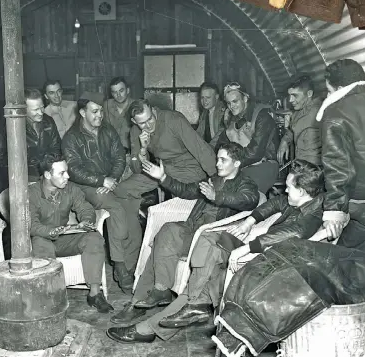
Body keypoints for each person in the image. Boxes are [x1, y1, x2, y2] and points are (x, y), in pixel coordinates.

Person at [107, 159, 325, 344]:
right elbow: (273, 203)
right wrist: (250, 221)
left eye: (289, 186)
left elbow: (282, 235)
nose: (284, 189)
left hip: (262, 263)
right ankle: (182, 304)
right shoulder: (296, 201)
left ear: (303, 191)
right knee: (206, 241)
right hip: (251, 249)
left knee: (204, 281)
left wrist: (246, 248)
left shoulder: (310, 218)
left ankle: (153, 326)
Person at [107, 143, 259, 336]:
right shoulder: (214, 179)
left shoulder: (246, 183)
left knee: (172, 261)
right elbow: (187, 190)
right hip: (193, 230)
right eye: (217, 158)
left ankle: (148, 324)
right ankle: (156, 292)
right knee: (166, 233)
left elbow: (250, 199)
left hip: (211, 237)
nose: (218, 163)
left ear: (237, 163)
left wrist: (217, 196)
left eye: (223, 160)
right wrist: (162, 177)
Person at [213, 238, 365, 357]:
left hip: (321, 263)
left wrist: (250, 245)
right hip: (307, 255)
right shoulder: (293, 206)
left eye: (290, 189)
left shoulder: (309, 210)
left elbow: (292, 231)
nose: (286, 191)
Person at [62, 91, 142, 293]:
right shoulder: (71, 137)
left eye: (101, 111)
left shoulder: (108, 131)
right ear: (82, 112)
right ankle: (120, 266)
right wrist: (100, 180)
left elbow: (119, 158)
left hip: (109, 183)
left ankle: (130, 263)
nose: (100, 115)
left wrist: (112, 179)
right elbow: (73, 169)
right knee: (115, 208)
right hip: (86, 186)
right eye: (95, 111)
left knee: (131, 208)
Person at [28, 155, 113, 313]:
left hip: (65, 239)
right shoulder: (31, 193)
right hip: (43, 239)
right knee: (40, 243)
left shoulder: (71, 188)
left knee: (94, 238)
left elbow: (85, 208)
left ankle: (95, 293)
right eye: (61, 173)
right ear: (47, 175)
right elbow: (31, 225)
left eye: (66, 171)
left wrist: (86, 222)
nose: (67, 176)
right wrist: (51, 231)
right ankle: (50, 297)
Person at [113, 99, 217, 214]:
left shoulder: (173, 120)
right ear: (134, 121)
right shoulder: (135, 132)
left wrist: (217, 178)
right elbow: (136, 169)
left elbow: (201, 149)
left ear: (153, 110)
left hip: (188, 169)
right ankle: (134, 229)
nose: (148, 125)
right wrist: (143, 149)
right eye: (142, 123)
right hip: (160, 170)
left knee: (178, 206)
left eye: (150, 118)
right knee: (122, 190)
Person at [317, 59, 365, 251]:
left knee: (344, 256)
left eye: (329, 90)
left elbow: (337, 165)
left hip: (363, 203)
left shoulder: (335, 113)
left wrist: (333, 211)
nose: (328, 95)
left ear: (341, 88)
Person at [217, 82, 280, 193]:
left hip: (264, 166)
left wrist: (231, 164)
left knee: (242, 193)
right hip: (240, 166)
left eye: (235, 101)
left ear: (245, 99)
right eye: (228, 103)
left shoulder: (261, 117)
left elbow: (254, 153)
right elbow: (220, 145)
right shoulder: (231, 119)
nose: (231, 106)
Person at [0, 88, 61, 182]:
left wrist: (45, 169)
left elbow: (56, 149)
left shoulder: (49, 121)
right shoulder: (13, 126)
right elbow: (4, 157)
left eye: (42, 107)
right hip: (23, 176)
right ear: (24, 110)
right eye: (35, 110)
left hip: (47, 172)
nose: (40, 113)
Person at [277, 75, 322, 166]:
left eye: (295, 95)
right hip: (301, 165)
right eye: (289, 95)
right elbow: (294, 127)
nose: (290, 100)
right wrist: (285, 140)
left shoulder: (319, 113)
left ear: (309, 94)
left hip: (312, 169)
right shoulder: (299, 109)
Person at [195, 82, 226, 146]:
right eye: (202, 98)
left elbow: (222, 133)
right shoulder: (204, 113)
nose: (204, 101)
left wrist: (210, 147)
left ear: (216, 97)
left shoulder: (223, 110)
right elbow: (199, 133)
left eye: (208, 97)